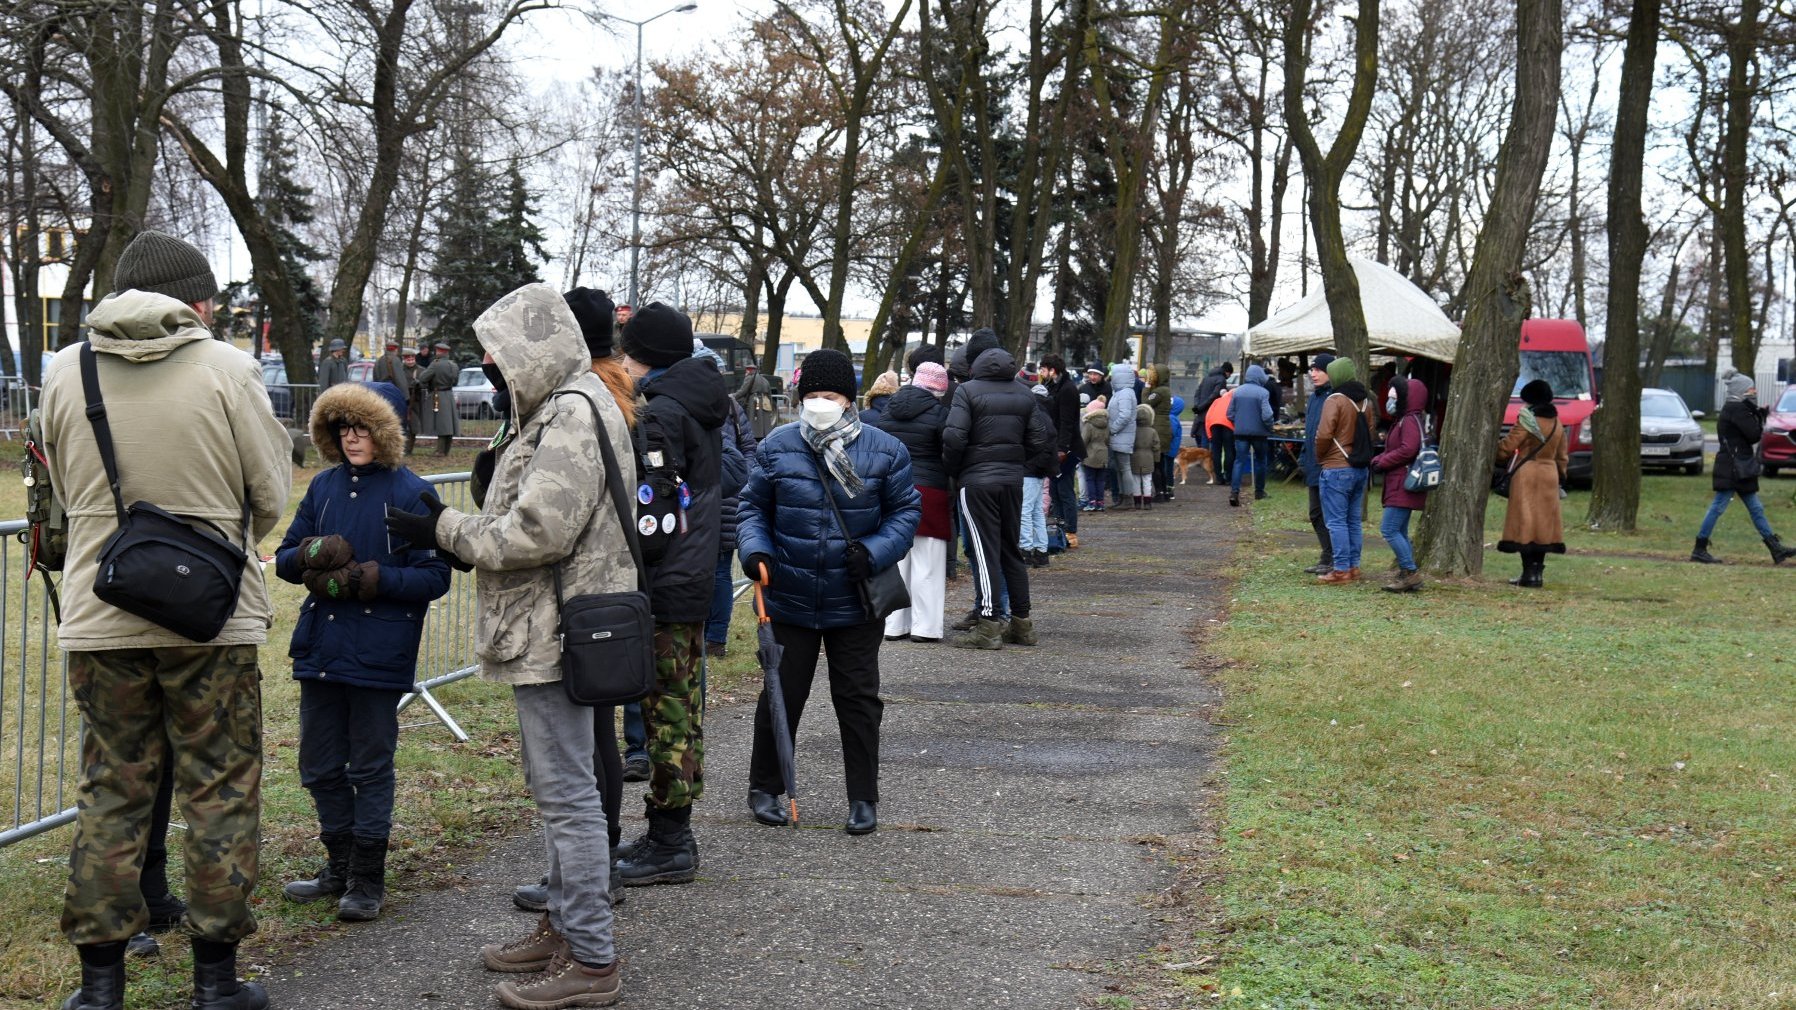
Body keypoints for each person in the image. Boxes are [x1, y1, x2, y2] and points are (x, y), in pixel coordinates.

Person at [41, 230, 291, 1010]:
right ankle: (216, 983)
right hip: (209, 622)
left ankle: (100, 987)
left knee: (111, 790)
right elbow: (271, 494)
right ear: (198, 300)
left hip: (100, 611)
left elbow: (54, 487)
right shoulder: (228, 369)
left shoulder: (63, 370)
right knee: (219, 788)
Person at [384, 283, 635, 1010]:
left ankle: (592, 957)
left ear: (536, 347)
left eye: (499, 352)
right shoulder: (569, 404)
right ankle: (564, 927)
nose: (490, 366)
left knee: (568, 799)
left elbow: (536, 532)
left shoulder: (573, 413)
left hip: (558, 631)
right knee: (564, 792)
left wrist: (443, 529)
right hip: (556, 626)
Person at [276, 381, 452, 921]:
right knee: (319, 764)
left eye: (363, 428)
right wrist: (313, 554)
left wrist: (374, 578)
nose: (352, 438)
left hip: (380, 647)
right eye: (343, 428)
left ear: (386, 433)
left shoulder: (412, 492)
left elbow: (437, 574)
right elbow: (285, 558)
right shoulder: (324, 487)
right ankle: (340, 864)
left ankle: (368, 878)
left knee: (369, 765)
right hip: (322, 644)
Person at [737, 348, 921, 835]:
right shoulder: (778, 445)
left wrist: (875, 550)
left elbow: (905, 513)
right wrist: (755, 551)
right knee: (781, 693)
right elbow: (752, 507)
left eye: (831, 395)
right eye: (812, 395)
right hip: (790, 595)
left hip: (855, 599)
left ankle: (863, 797)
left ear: (850, 399)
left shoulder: (885, 450)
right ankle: (765, 786)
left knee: (858, 700)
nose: (821, 403)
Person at [612, 302, 731, 888]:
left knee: (669, 712)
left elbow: (652, 511)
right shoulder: (703, 401)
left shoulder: (660, 412)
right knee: (680, 706)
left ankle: (670, 839)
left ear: (643, 356)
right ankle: (669, 830)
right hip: (694, 572)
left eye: (626, 352)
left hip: (666, 580)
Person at [944, 329, 1052, 650]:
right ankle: (1022, 623)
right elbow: (1038, 439)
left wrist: (957, 468)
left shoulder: (967, 391)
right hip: (1012, 480)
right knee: (1009, 550)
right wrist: (1015, 462)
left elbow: (953, 437)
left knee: (983, 550)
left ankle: (989, 623)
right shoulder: (1024, 393)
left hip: (976, 481)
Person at [874, 361, 952, 642]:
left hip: (892, 488)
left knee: (897, 558)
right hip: (930, 489)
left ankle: (894, 624)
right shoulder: (940, 414)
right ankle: (925, 627)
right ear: (938, 388)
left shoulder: (889, 409)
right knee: (928, 561)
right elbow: (949, 450)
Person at [1691, 371, 1796, 565]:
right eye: (1750, 389)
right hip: (1733, 467)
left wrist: (1756, 413)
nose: (1754, 392)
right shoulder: (1737, 409)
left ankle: (1776, 548)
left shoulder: (1735, 408)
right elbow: (1754, 435)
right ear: (1741, 390)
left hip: (1739, 465)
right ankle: (1700, 548)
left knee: (1756, 508)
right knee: (1718, 507)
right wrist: (1760, 416)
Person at [1496, 379, 1568, 588]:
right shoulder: (1557, 423)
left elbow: (1509, 446)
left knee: (1525, 523)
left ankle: (1528, 573)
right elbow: (1562, 456)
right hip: (1549, 474)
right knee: (1544, 525)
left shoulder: (1527, 420)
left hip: (1527, 474)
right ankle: (1537, 573)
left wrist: (1495, 454)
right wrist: (1561, 477)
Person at [1315, 356, 1373, 584]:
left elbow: (1324, 434)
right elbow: (1369, 432)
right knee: (1352, 520)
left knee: (1336, 521)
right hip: (1359, 467)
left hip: (1337, 467)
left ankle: (1340, 570)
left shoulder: (1334, 400)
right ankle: (1353, 566)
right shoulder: (1366, 401)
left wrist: (1321, 457)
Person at [1370, 377, 1430, 592]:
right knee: (1400, 531)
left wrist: (1382, 461)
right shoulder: (1406, 419)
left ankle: (1411, 572)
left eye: (1394, 397)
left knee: (1389, 529)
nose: (1390, 401)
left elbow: (1408, 449)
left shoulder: (1409, 420)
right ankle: (1407, 573)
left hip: (1402, 483)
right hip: (1399, 482)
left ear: (1406, 398)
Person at [1039, 354, 1083, 547]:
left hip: (1067, 447)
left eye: (1043, 369)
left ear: (1052, 370)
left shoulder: (1067, 389)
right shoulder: (1055, 386)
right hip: (1056, 445)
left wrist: (1062, 448)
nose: (1041, 373)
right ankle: (1058, 528)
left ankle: (1070, 531)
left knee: (1065, 490)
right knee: (1056, 490)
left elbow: (1067, 422)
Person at [1299, 354, 1337, 574]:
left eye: (1318, 370)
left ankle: (1333, 557)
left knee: (1330, 513)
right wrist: (1304, 457)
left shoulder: (1334, 397)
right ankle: (1327, 554)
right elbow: (1310, 431)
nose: (1313, 373)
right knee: (1315, 512)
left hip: (1329, 465)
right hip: (1313, 464)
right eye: (1312, 370)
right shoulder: (1314, 398)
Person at [1227, 364, 1275, 507]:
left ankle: (1234, 492)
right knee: (1260, 461)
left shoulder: (1237, 392)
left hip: (1240, 433)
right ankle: (1259, 492)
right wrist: (1270, 427)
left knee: (1239, 461)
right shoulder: (1263, 393)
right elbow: (1267, 415)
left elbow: (1229, 414)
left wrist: (1240, 423)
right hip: (1259, 434)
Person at [1021, 384, 1058, 564]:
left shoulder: (1036, 416)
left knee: (1025, 510)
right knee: (1036, 510)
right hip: (1039, 469)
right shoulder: (1046, 415)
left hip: (1030, 468)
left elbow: (1040, 445)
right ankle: (1041, 550)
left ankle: (1026, 548)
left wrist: (1031, 463)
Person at [417, 339, 460, 456]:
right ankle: (446, 449)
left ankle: (440, 451)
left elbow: (423, 378)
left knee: (442, 424)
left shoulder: (435, 364)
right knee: (449, 423)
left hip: (438, 395)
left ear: (439, 352)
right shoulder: (453, 365)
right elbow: (455, 382)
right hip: (449, 395)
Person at [1105, 362, 1138, 508]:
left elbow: (1125, 415)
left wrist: (1112, 429)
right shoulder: (1122, 392)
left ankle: (1128, 498)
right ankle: (1123, 497)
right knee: (1120, 468)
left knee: (1124, 468)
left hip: (1121, 436)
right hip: (1120, 436)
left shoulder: (1124, 393)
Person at [1142, 364, 1175, 500]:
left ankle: (1160, 493)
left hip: (1158, 429)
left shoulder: (1159, 392)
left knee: (1156, 463)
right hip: (1164, 428)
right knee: (1161, 463)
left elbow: (1145, 403)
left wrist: (1147, 387)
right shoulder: (1165, 390)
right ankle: (1165, 492)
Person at [1080, 396, 1110, 512]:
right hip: (1103, 454)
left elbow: (1083, 440)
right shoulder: (1106, 424)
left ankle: (1092, 502)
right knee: (1101, 480)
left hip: (1090, 455)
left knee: (1090, 479)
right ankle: (1100, 502)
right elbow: (1108, 440)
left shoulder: (1089, 424)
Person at [1130, 401, 1160, 509]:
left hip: (1135, 457)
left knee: (1136, 481)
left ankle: (1137, 502)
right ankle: (1147, 502)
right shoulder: (1152, 431)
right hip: (1148, 457)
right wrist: (1157, 459)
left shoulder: (1133, 431)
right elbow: (1156, 447)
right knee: (1147, 480)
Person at [1205, 386, 1236, 487]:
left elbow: (1208, 416)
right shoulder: (1235, 401)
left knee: (1216, 452)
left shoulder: (1217, 401)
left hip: (1214, 425)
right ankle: (1228, 478)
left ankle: (1219, 478)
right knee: (1229, 451)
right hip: (1229, 426)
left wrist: (1209, 434)